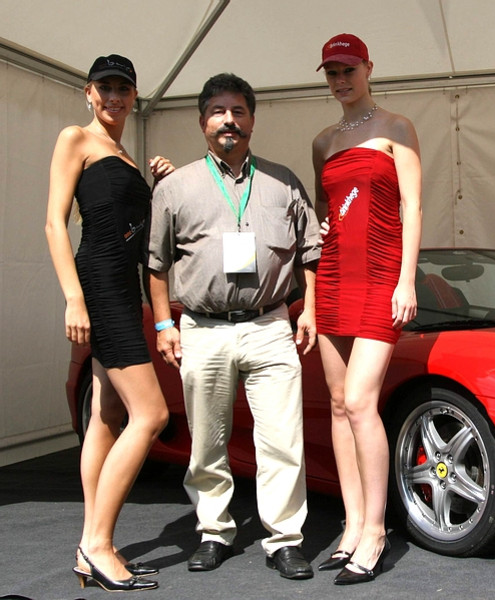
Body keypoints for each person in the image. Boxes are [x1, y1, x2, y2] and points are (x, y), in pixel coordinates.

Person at [146, 73, 321, 580]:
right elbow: (155, 264)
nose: (229, 121)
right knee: (207, 442)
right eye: (218, 112)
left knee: (282, 441)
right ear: (202, 121)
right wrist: (163, 323)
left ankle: (284, 539)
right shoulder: (175, 187)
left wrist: (308, 309)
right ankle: (214, 531)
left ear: (252, 120)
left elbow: (311, 251)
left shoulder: (283, 181)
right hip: (203, 328)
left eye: (238, 111)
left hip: (270, 326)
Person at [45, 54, 172, 593]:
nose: (115, 97)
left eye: (124, 88)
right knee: (152, 414)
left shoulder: (125, 156)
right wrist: (74, 299)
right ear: (88, 92)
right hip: (98, 285)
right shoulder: (76, 138)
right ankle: (99, 545)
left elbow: (132, 230)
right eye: (106, 87)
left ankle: (87, 545)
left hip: (122, 287)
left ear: (134, 96)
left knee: (108, 413)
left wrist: (156, 186)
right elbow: (54, 223)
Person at [311, 33, 422, 585]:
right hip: (333, 277)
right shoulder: (323, 141)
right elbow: (324, 209)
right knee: (337, 403)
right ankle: (352, 525)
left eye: (348, 69)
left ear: (368, 68)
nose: (340, 80)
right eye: (332, 72)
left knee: (359, 401)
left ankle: (377, 531)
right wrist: (321, 228)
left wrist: (407, 281)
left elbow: (413, 207)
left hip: (381, 278)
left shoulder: (397, 128)